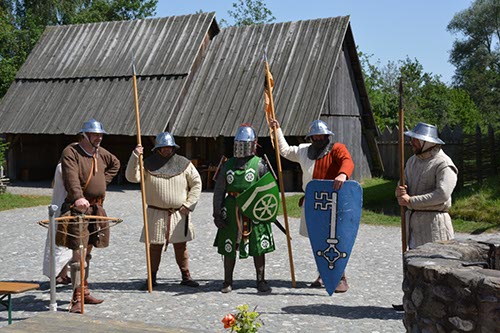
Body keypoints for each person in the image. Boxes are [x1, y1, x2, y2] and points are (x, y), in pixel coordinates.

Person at [269, 118, 354, 293]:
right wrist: (277, 130)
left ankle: (340, 277)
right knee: (317, 240)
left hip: (333, 202)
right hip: (313, 202)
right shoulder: (303, 151)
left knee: (334, 240)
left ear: (327, 136)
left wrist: (343, 175)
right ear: (311, 138)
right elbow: (284, 150)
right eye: (315, 137)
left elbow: (347, 161)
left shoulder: (337, 149)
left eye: (321, 136)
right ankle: (323, 274)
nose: (318, 139)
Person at [125, 132, 202, 289]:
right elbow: (132, 177)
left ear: (173, 147)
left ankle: (186, 276)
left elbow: (196, 183)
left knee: (181, 246)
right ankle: (152, 278)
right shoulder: (147, 164)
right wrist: (135, 156)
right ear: (158, 149)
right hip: (156, 213)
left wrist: (188, 204)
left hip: (179, 213)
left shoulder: (184, 164)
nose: (167, 150)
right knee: (154, 247)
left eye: (169, 147)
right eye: (163, 147)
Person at [60, 118, 120, 313]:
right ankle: (77, 297)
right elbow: (70, 177)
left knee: (89, 252)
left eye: (101, 135)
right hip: (78, 210)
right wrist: (78, 197)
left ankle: (84, 291)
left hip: (96, 209)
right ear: (84, 135)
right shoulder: (72, 152)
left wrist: (103, 182)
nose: (99, 138)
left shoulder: (100, 153)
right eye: (95, 135)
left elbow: (116, 164)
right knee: (78, 255)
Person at [213, 124, 275, 293]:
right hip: (231, 209)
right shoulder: (228, 165)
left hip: (254, 209)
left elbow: (269, 188)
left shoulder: (260, 164)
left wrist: (267, 211)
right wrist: (217, 214)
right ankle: (227, 281)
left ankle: (261, 280)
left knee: (258, 245)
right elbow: (219, 190)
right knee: (229, 245)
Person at [396, 122, 458, 249]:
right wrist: (399, 192)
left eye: (416, 139)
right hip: (413, 225)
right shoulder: (412, 161)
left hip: (434, 225)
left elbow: (442, 194)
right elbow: (403, 185)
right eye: (412, 138)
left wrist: (411, 201)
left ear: (427, 142)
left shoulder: (443, 163)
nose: (411, 142)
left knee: (434, 265)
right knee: (412, 265)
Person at [42, 162, 72, 285]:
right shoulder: (64, 167)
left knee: (68, 244)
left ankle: (63, 274)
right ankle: (58, 274)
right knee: (61, 243)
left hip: (64, 207)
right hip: (63, 208)